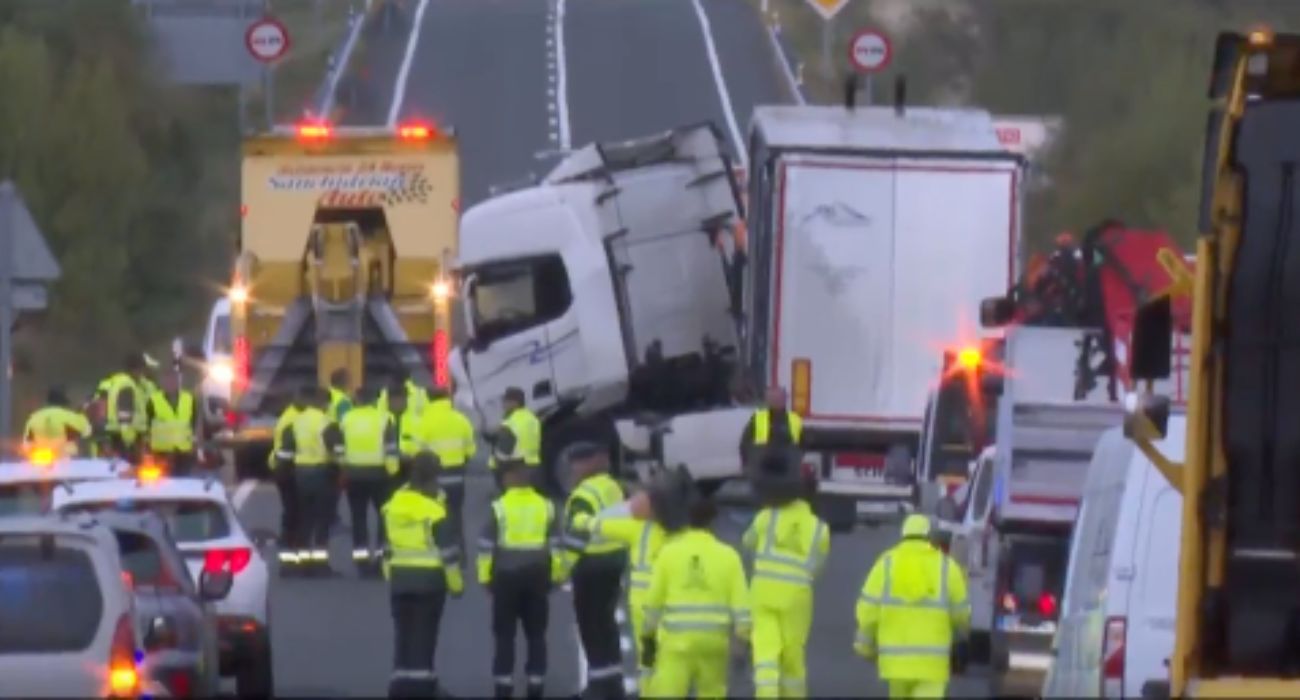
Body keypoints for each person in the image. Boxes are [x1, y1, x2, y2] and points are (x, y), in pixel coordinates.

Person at [642, 490, 750, 698]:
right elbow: (742, 607)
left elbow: (653, 602)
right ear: (713, 522)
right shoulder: (729, 556)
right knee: (712, 692)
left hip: (676, 642)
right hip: (714, 643)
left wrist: (648, 637)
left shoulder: (669, 553)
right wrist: (741, 641)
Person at [742, 451, 830, 698]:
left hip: (763, 591)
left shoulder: (767, 516)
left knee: (765, 649)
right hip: (797, 597)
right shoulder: (820, 529)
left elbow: (748, 542)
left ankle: (766, 692)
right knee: (793, 654)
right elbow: (816, 568)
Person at [855, 514, 971, 699]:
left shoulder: (885, 564)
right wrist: (961, 639)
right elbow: (962, 615)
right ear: (931, 537)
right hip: (933, 665)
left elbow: (868, 610)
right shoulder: (947, 567)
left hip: (895, 664)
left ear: (903, 535)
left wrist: (866, 646)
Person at [477, 459, 565, 699]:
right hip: (537, 575)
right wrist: (557, 574)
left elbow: (485, 547)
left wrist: (484, 577)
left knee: (504, 634)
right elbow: (557, 545)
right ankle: (536, 683)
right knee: (536, 633)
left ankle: (503, 685)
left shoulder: (499, 507)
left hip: (506, 577)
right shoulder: (546, 506)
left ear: (509, 479)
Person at [569, 487, 669, 690]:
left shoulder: (637, 529)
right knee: (668, 660)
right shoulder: (678, 533)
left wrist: (581, 520)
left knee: (649, 662)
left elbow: (600, 525)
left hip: (646, 610)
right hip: (669, 607)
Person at [382, 452, 463, 697]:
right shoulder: (434, 511)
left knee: (403, 633)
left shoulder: (393, 506)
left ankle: (399, 685)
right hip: (429, 581)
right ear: (434, 476)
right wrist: (456, 585)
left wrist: (391, 576)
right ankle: (423, 686)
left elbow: (387, 548)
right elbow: (448, 553)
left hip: (400, 579)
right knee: (425, 635)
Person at [560, 443, 629, 698]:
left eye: (575, 463)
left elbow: (576, 540)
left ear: (586, 464)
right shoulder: (612, 486)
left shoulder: (583, 496)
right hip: (615, 560)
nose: (572, 469)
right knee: (606, 623)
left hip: (591, 566)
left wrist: (561, 570)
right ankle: (613, 684)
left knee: (591, 626)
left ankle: (599, 688)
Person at [274, 387, 342, 575]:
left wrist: (283, 473)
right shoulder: (326, 423)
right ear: (324, 403)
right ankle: (320, 564)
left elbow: (284, 454)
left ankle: (303, 561)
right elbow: (338, 452)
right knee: (323, 520)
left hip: (300, 475)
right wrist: (339, 470)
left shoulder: (296, 423)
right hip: (322, 474)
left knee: (305, 519)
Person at [404, 386, 476, 560]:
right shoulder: (461, 420)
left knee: (433, 516)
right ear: (448, 399)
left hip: (432, 478)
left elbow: (414, 452)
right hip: (456, 476)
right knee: (455, 515)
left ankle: (437, 554)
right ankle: (459, 554)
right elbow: (470, 451)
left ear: (428, 399)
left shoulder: (423, 422)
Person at [339, 385, 400, 575]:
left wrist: (343, 467)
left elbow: (340, 447)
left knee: (358, 518)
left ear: (356, 399)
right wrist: (393, 471)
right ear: (375, 400)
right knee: (384, 518)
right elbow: (391, 448)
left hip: (354, 475)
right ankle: (381, 559)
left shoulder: (346, 419)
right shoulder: (385, 418)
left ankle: (361, 561)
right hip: (379, 475)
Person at [270, 389, 305, 568]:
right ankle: (290, 556)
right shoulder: (292, 419)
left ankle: (291, 555)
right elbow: (288, 450)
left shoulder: (291, 416)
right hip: (288, 469)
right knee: (294, 513)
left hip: (285, 468)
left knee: (293, 513)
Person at [146, 371, 198, 476]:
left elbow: (194, 423)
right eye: (168, 381)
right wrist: (147, 448)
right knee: (162, 482)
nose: (171, 384)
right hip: (161, 451)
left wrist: (195, 444)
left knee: (183, 481)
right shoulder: (153, 400)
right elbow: (148, 425)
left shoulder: (189, 399)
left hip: (183, 451)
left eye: (174, 380)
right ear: (163, 382)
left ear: (179, 382)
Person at [738, 386, 802, 468]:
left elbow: (801, 445)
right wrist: (747, 465)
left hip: (786, 469)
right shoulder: (758, 418)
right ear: (767, 400)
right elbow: (744, 444)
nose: (776, 401)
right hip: (762, 469)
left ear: (785, 400)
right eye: (773, 398)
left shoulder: (794, 419)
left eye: (779, 398)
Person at [102, 353, 150, 462]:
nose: (144, 374)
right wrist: (129, 442)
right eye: (143, 370)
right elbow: (124, 415)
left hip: (120, 435)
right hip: (127, 438)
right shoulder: (127, 386)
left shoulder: (121, 382)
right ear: (136, 369)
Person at [22, 386, 92, 458]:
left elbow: (27, 443)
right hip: (64, 458)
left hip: (38, 458)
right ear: (64, 401)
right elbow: (87, 431)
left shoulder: (34, 417)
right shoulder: (69, 416)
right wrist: (81, 414)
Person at [488, 387, 541, 482]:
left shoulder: (510, 423)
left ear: (514, 403)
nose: (503, 405)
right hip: (532, 465)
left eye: (506, 401)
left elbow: (504, 453)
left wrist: (495, 464)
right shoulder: (532, 418)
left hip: (513, 469)